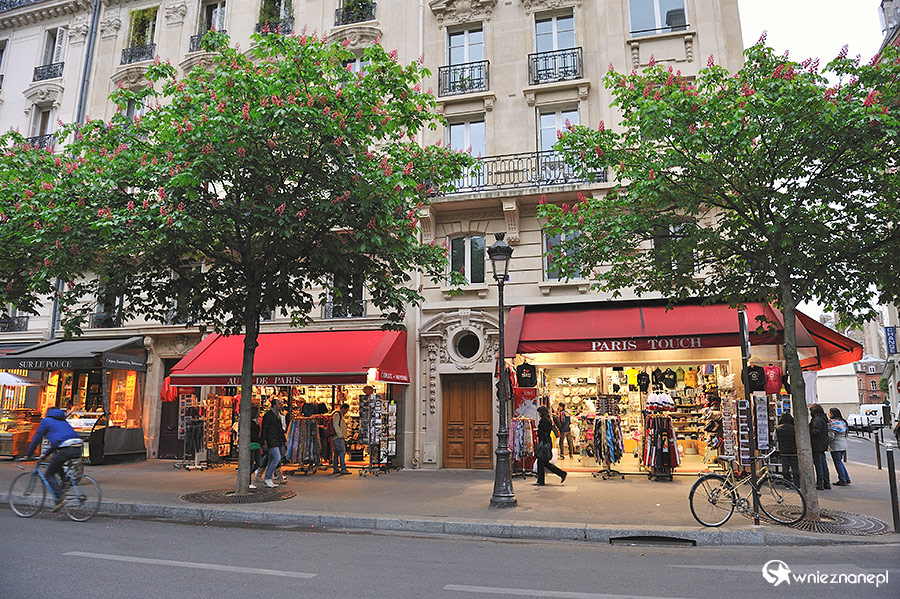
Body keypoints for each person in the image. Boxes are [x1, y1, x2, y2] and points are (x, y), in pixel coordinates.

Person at [19, 407, 83, 511]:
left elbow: (37, 438)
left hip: (66, 448)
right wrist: (45, 455)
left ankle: (60, 498)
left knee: (49, 474)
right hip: (78, 447)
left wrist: (28, 454)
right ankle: (64, 482)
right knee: (57, 463)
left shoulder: (46, 421)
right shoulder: (63, 421)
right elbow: (56, 444)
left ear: (47, 413)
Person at [535, 405, 566, 486]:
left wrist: (538, 431)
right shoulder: (548, 420)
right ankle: (540, 480)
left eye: (539, 413)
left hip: (544, 443)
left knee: (542, 461)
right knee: (542, 462)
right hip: (547, 442)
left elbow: (542, 432)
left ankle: (561, 474)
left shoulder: (544, 421)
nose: (539, 414)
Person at [261, 397, 286, 488]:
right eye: (279, 404)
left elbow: (280, 429)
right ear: (274, 405)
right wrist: (264, 440)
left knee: (273, 459)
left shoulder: (277, 414)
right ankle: (267, 478)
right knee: (276, 458)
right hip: (271, 440)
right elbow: (265, 428)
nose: (281, 405)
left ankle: (267, 478)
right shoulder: (269, 415)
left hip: (276, 440)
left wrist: (284, 440)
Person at [808, 403, 831, 490]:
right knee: (823, 463)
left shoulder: (817, 419)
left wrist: (808, 430)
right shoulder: (823, 418)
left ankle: (820, 483)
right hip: (822, 444)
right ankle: (826, 482)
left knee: (819, 465)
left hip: (817, 444)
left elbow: (816, 431)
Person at [828, 407, 851, 486]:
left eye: (829, 412)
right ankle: (846, 478)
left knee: (837, 462)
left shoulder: (832, 422)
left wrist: (827, 441)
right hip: (843, 444)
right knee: (840, 462)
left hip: (836, 445)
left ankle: (842, 479)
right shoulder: (843, 422)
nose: (828, 414)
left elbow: (831, 436)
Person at [774, 412, 799, 486]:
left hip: (783, 450)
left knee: (785, 467)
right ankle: (797, 483)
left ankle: (787, 483)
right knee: (795, 467)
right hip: (794, 450)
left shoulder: (778, 429)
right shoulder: (795, 428)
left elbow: (775, 438)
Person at [331, 403, 351, 475]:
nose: (346, 412)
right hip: (338, 437)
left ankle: (336, 468)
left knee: (337, 453)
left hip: (338, 436)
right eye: (346, 410)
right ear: (343, 409)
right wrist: (340, 435)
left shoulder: (338, 415)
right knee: (342, 452)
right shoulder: (337, 415)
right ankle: (343, 468)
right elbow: (336, 425)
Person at [248, 406, 262, 490]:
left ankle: (247, 476)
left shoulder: (256, 422)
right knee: (251, 463)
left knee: (258, 463)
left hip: (256, 444)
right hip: (252, 443)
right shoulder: (250, 422)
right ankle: (248, 480)